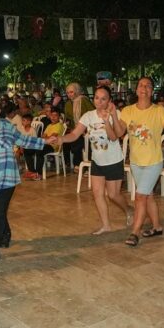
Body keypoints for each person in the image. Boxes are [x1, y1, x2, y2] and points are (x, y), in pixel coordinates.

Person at [0, 96, 57, 259]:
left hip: (8, 176)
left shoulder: (7, 126)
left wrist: (45, 141)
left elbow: (23, 140)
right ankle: (6, 232)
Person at [61, 86, 130, 235]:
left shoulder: (115, 113)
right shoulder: (88, 116)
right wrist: (60, 139)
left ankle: (129, 209)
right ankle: (106, 225)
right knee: (97, 193)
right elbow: (74, 135)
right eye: (97, 98)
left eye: (103, 98)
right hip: (97, 161)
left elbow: (114, 137)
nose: (99, 101)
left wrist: (107, 121)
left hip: (113, 160)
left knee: (113, 195)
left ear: (109, 100)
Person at [121, 77, 164, 246]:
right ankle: (157, 227)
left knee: (140, 196)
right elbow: (117, 132)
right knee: (148, 196)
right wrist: (110, 119)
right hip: (136, 162)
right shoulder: (127, 111)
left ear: (152, 91)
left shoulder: (159, 110)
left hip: (153, 161)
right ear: (136, 90)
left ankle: (135, 232)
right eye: (141, 85)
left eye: (148, 85)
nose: (144, 88)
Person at [62, 82, 94, 169]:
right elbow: (67, 118)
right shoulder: (68, 104)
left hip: (87, 128)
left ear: (77, 91)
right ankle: (74, 164)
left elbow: (92, 113)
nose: (69, 94)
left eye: (71, 92)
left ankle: (83, 166)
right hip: (75, 129)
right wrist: (69, 126)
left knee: (80, 141)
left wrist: (85, 128)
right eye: (68, 92)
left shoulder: (84, 100)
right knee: (67, 140)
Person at [17, 114, 44, 180]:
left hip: (32, 147)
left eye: (24, 121)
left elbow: (34, 141)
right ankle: (32, 171)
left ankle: (32, 171)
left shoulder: (32, 130)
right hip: (23, 146)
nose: (22, 122)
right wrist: (21, 146)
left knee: (27, 152)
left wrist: (25, 146)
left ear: (29, 122)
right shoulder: (21, 129)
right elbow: (19, 139)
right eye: (22, 121)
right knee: (24, 152)